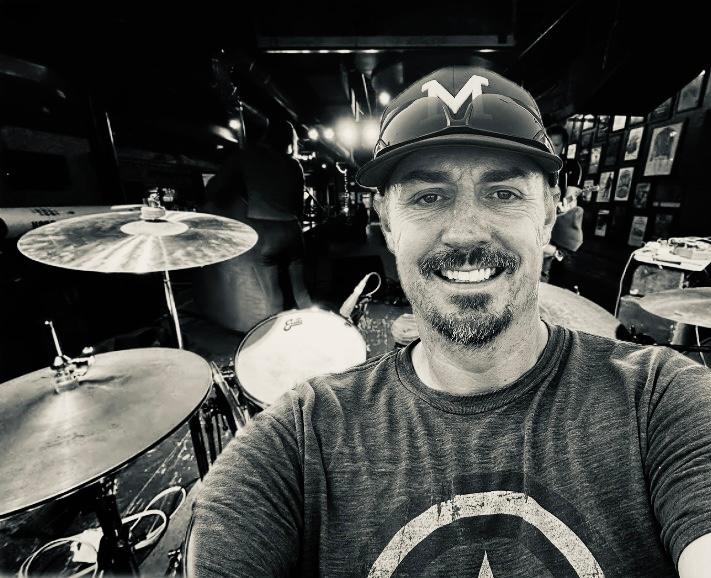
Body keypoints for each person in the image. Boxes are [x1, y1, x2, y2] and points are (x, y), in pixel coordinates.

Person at [188, 66, 711, 577]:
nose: (465, 233)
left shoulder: (660, 399)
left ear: (548, 215)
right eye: (428, 197)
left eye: (503, 194)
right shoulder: (301, 438)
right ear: (387, 224)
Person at [193, 119, 312, 332]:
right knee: (301, 291)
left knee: (272, 295)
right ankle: (317, 330)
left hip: (265, 232)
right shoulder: (294, 165)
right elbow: (298, 206)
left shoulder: (245, 156)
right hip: (292, 230)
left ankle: (275, 337)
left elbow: (213, 189)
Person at [541, 124, 585, 283]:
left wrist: (564, 207)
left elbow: (570, 199)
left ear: (564, 145)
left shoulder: (572, 167)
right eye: (548, 143)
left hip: (558, 222)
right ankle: (554, 252)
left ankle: (554, 255)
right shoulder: (537, 164)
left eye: (557, 145)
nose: (552, 148)